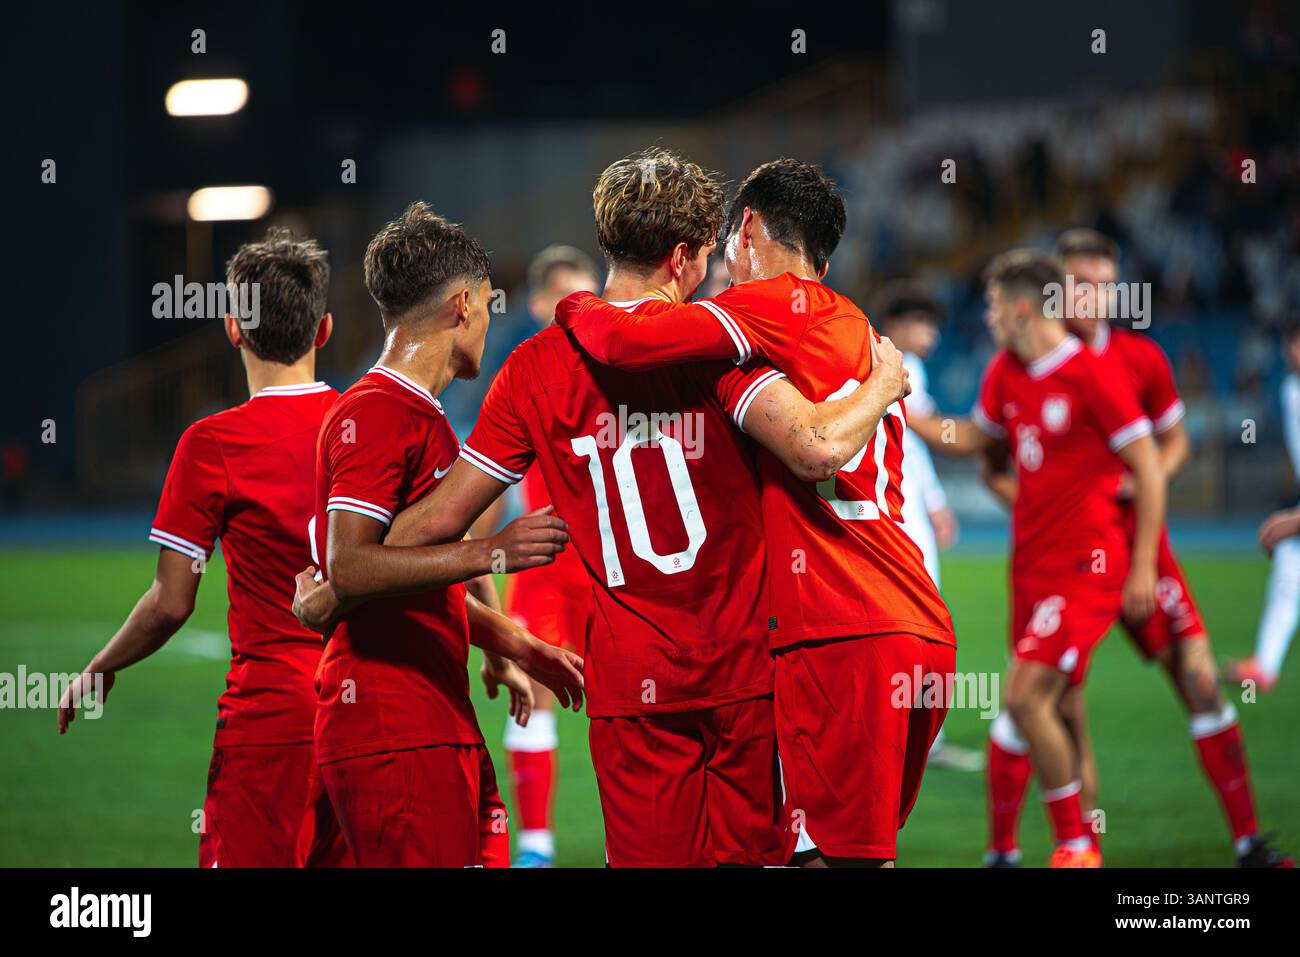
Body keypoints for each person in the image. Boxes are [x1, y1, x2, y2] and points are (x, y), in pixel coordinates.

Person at [299, 149, 912, 866]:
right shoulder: (721, 348)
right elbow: (815, 447)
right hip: (743, 675)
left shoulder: (534, 368)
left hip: (630, 685)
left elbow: (439, 517)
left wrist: (341, 574)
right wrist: (884, 384)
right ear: (685, 256)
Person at [554, 158, 957, 866]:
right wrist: (885, 385)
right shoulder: (855, 329)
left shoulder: (765, 307)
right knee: (824, 852)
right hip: (915, 620)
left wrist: (573, 305)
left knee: (841, 860)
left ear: (746, 227)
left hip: (843, 629)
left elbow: (622, 339)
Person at [306, 202, 583, 867]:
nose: (492, 320)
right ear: (462, 304)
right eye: (489, 304)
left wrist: (513, 643)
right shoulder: (375, 413)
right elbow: (350, 568)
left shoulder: (417, 416)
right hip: (391, 720)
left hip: (428, 708)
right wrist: (491, 550)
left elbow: (401, 580)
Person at [57, 228, 346, 867]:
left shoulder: (213, 444)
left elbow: (171, 603)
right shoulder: (368, 423)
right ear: (323, 330)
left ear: (232, 330)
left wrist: (101, 667)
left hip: (272, 715)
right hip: (368, 708)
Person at [910, 249, 1166, 867]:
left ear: (1023, 309)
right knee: (1041, 710)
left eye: (995, 306)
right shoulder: (1005, 372)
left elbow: (1150, 468)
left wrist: (1144, 567)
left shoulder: (1090, 375)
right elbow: (977, 441)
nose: (989, 317)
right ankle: (1014, 849)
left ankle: (1076, 843)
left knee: (1027, 699)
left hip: (1089, 568)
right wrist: (903, 411)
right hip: (1030, 569)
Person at [500, 245, 600, 867]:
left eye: (587, 297)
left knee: (636, 704)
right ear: (539, 304)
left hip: (616, 568)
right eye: (565, 297)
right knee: (534, 694)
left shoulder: (623, 367)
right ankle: (536, 846)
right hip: (546, 567)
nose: (579, 310)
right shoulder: (524, 374)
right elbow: (487, 478)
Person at [874, 280, 982, 773]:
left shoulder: (893, 366)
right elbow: (921, 439)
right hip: (902, 517)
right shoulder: (896, 367)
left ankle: (908, 732)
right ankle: (919, 737)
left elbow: (911, 450)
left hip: (905, 508)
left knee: (911, 626)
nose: (932, 335)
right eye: (923, 324)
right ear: (895, 326)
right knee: (927, 627)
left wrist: (936, 501)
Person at [1228, 321, 1300, 696]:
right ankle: (1265, 665)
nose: (1294, 350)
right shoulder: (1290, 390)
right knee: (1290, 570)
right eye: (1292, 340)